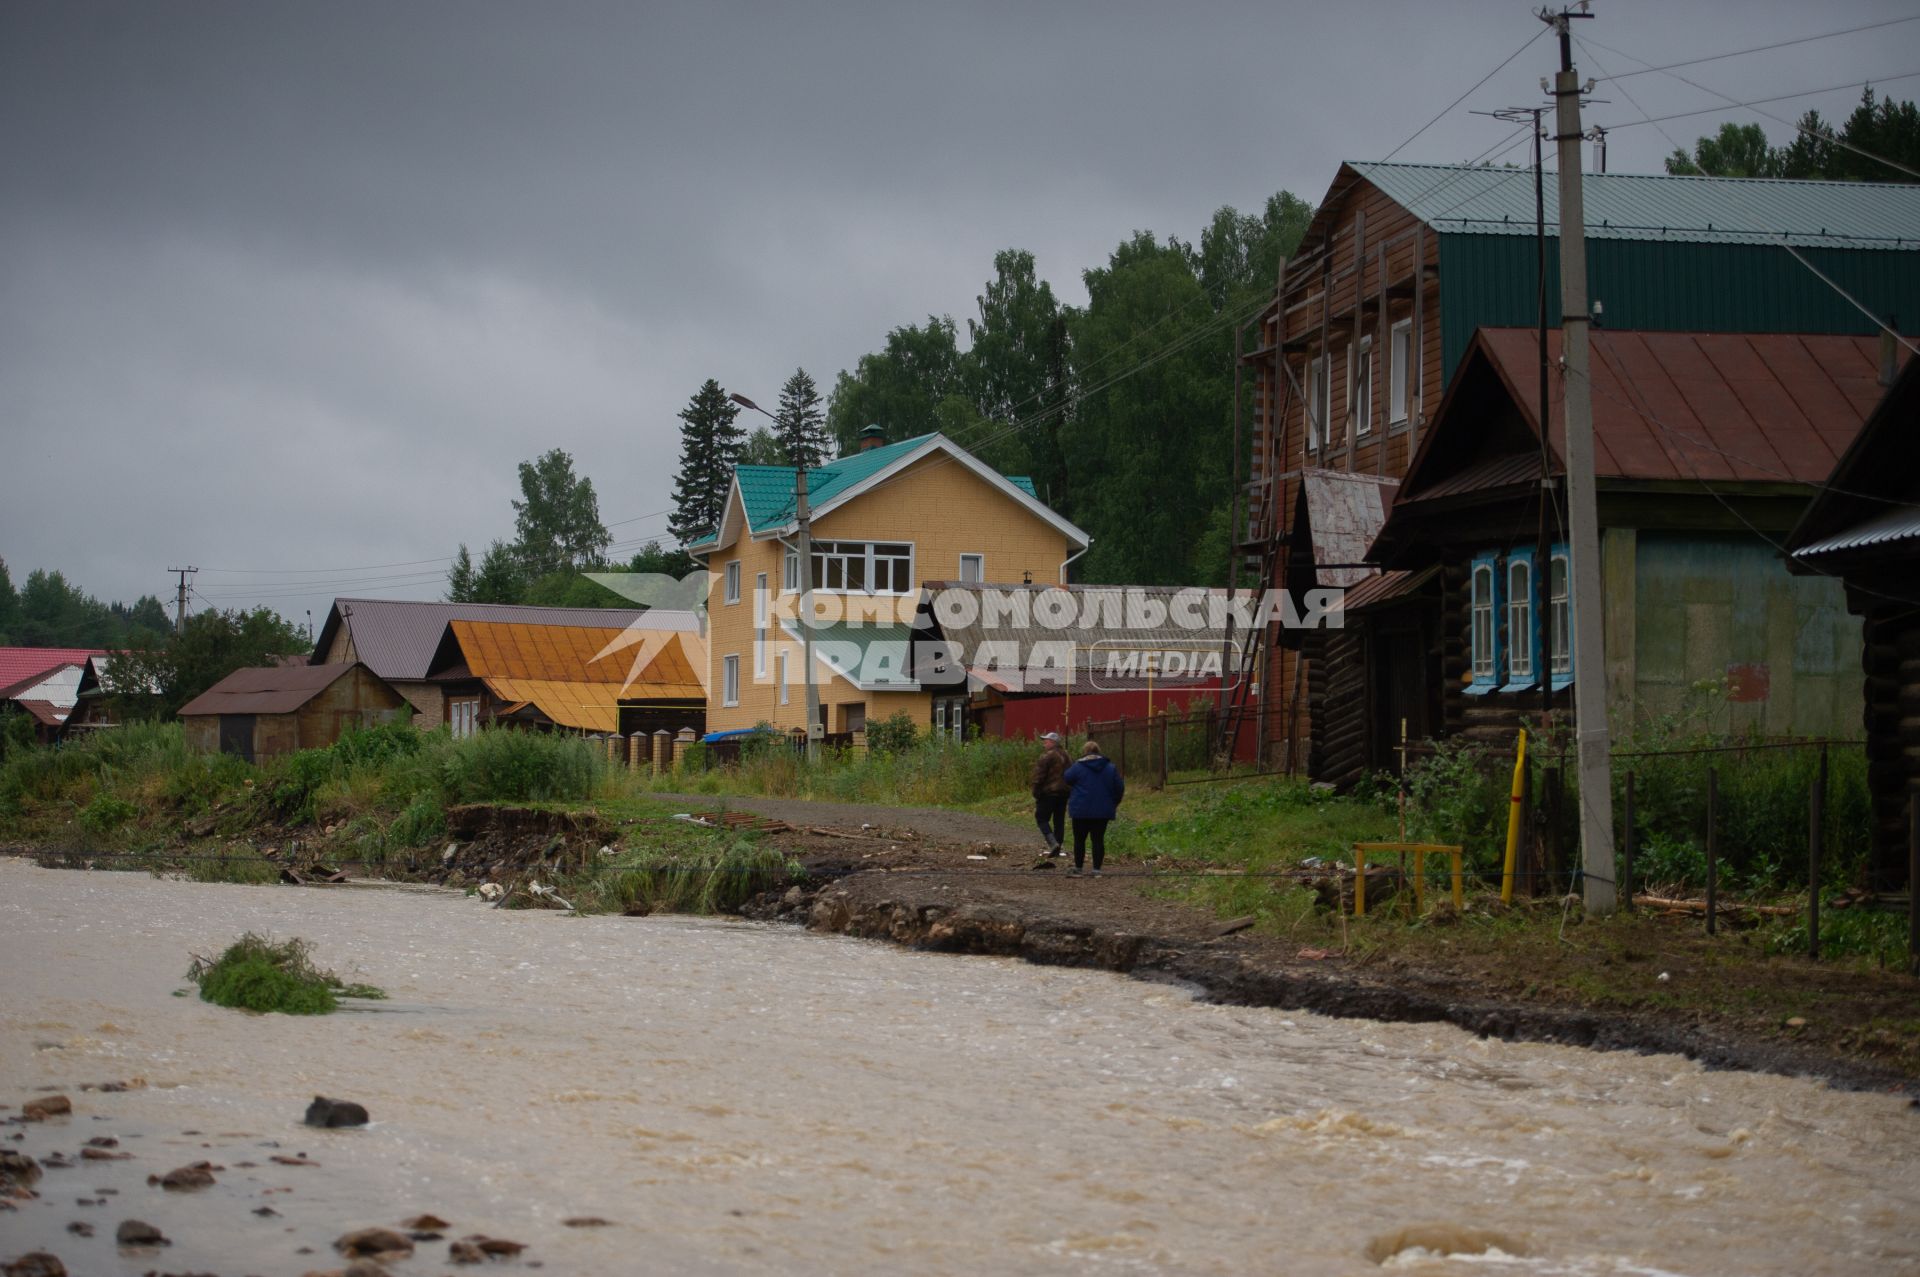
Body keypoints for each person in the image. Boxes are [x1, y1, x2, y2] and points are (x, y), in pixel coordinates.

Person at [1063, 740, 1124, 876]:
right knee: (1098, 839)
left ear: (1085, 751)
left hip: (1080, 809)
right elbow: (1119, 788)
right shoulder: (1110, 767)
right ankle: (1096, 869)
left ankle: (1078, 868)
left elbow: (1066, 778)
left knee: (1079, 839)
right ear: (1099, 751)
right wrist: (1114, 803)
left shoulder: (1078, 766)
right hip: (1102, 810)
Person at [1029, 731, 1069, 856]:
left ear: (1053, 742)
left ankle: (1052, 843)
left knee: (1041, 818)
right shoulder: (1067, 756)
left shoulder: (1047, 756)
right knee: (1059, 820)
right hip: (1064, 793)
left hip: (1048, 792)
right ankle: (1058, 846)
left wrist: (1035, 790)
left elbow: (1039, 775)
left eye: (1046, 741)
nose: (1044, 744)